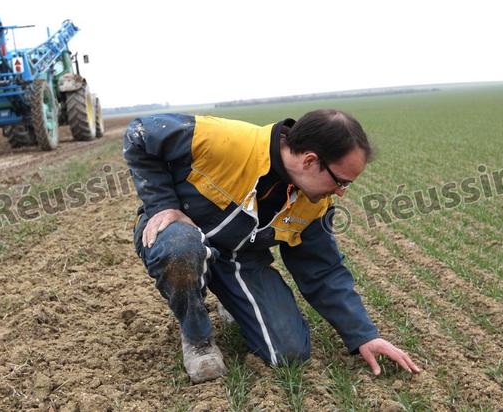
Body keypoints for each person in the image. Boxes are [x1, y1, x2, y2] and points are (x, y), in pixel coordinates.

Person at [123, 109, 421, 383]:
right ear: (309, 161)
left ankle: (229, 296)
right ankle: (197, 338)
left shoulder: (314, 203)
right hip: (178, 232)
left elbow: (322, 270)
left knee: (289, 353)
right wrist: (162, 205)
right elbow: (141, 133)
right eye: (341, 182)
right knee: (179, 248)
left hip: (237, 257)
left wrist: (363, 335)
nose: (341, 193)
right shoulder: (227, 142)